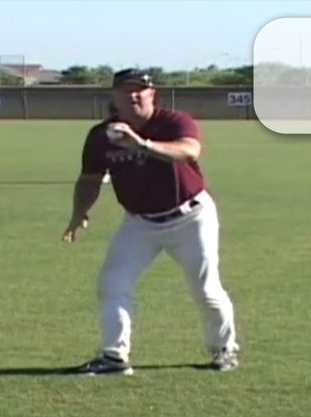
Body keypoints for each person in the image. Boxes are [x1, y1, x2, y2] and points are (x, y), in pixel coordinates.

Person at [61, 68, 240, 375]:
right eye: (125, 90)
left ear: (151, 94)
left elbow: (189, 150)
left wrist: (142, 144)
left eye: (140, 90)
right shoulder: (101, 136)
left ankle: (224, 349)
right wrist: (79, 212)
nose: (133, 95)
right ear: (114, 97)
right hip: (139, 223)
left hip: (190, 216)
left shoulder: (172, 121)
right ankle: (114, 356)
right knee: (113, 283)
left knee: (205, 288)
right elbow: (89, 179)